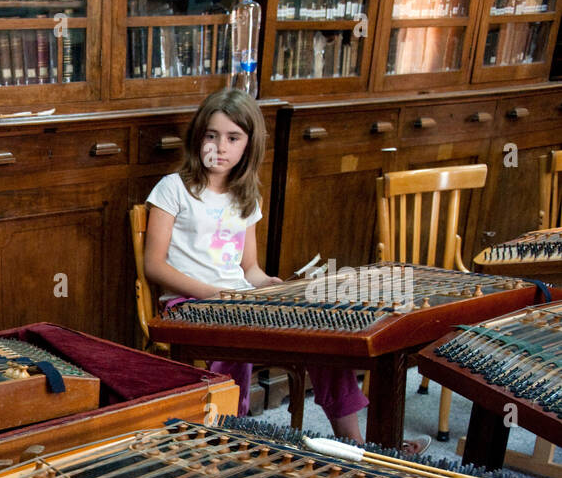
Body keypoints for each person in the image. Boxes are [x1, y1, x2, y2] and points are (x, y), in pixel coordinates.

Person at [145, 89, 428, 453]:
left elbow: (249, 268)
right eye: (211, 135)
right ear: (197, 137)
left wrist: (272, 284)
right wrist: (213, 294)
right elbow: (154, 265)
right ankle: (235, 435)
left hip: (241, 299)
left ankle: (361, 447)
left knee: (323, 334)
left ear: (248, 145)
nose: (220, 146)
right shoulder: (174, 189)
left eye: (233, 138)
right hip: (188, 304)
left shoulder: (246, 197)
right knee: (236, 335)